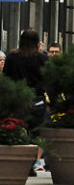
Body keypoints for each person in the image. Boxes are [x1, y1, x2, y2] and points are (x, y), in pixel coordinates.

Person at [3, 29, 49, 172]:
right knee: (35, 132)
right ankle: (30, 164)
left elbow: (6, 78)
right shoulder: (42, 59)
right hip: (37, 100)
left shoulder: (12, 57)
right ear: (37, 42)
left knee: (18, 129)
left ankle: (19, 162)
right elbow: (47, 79)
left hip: (17, 99)